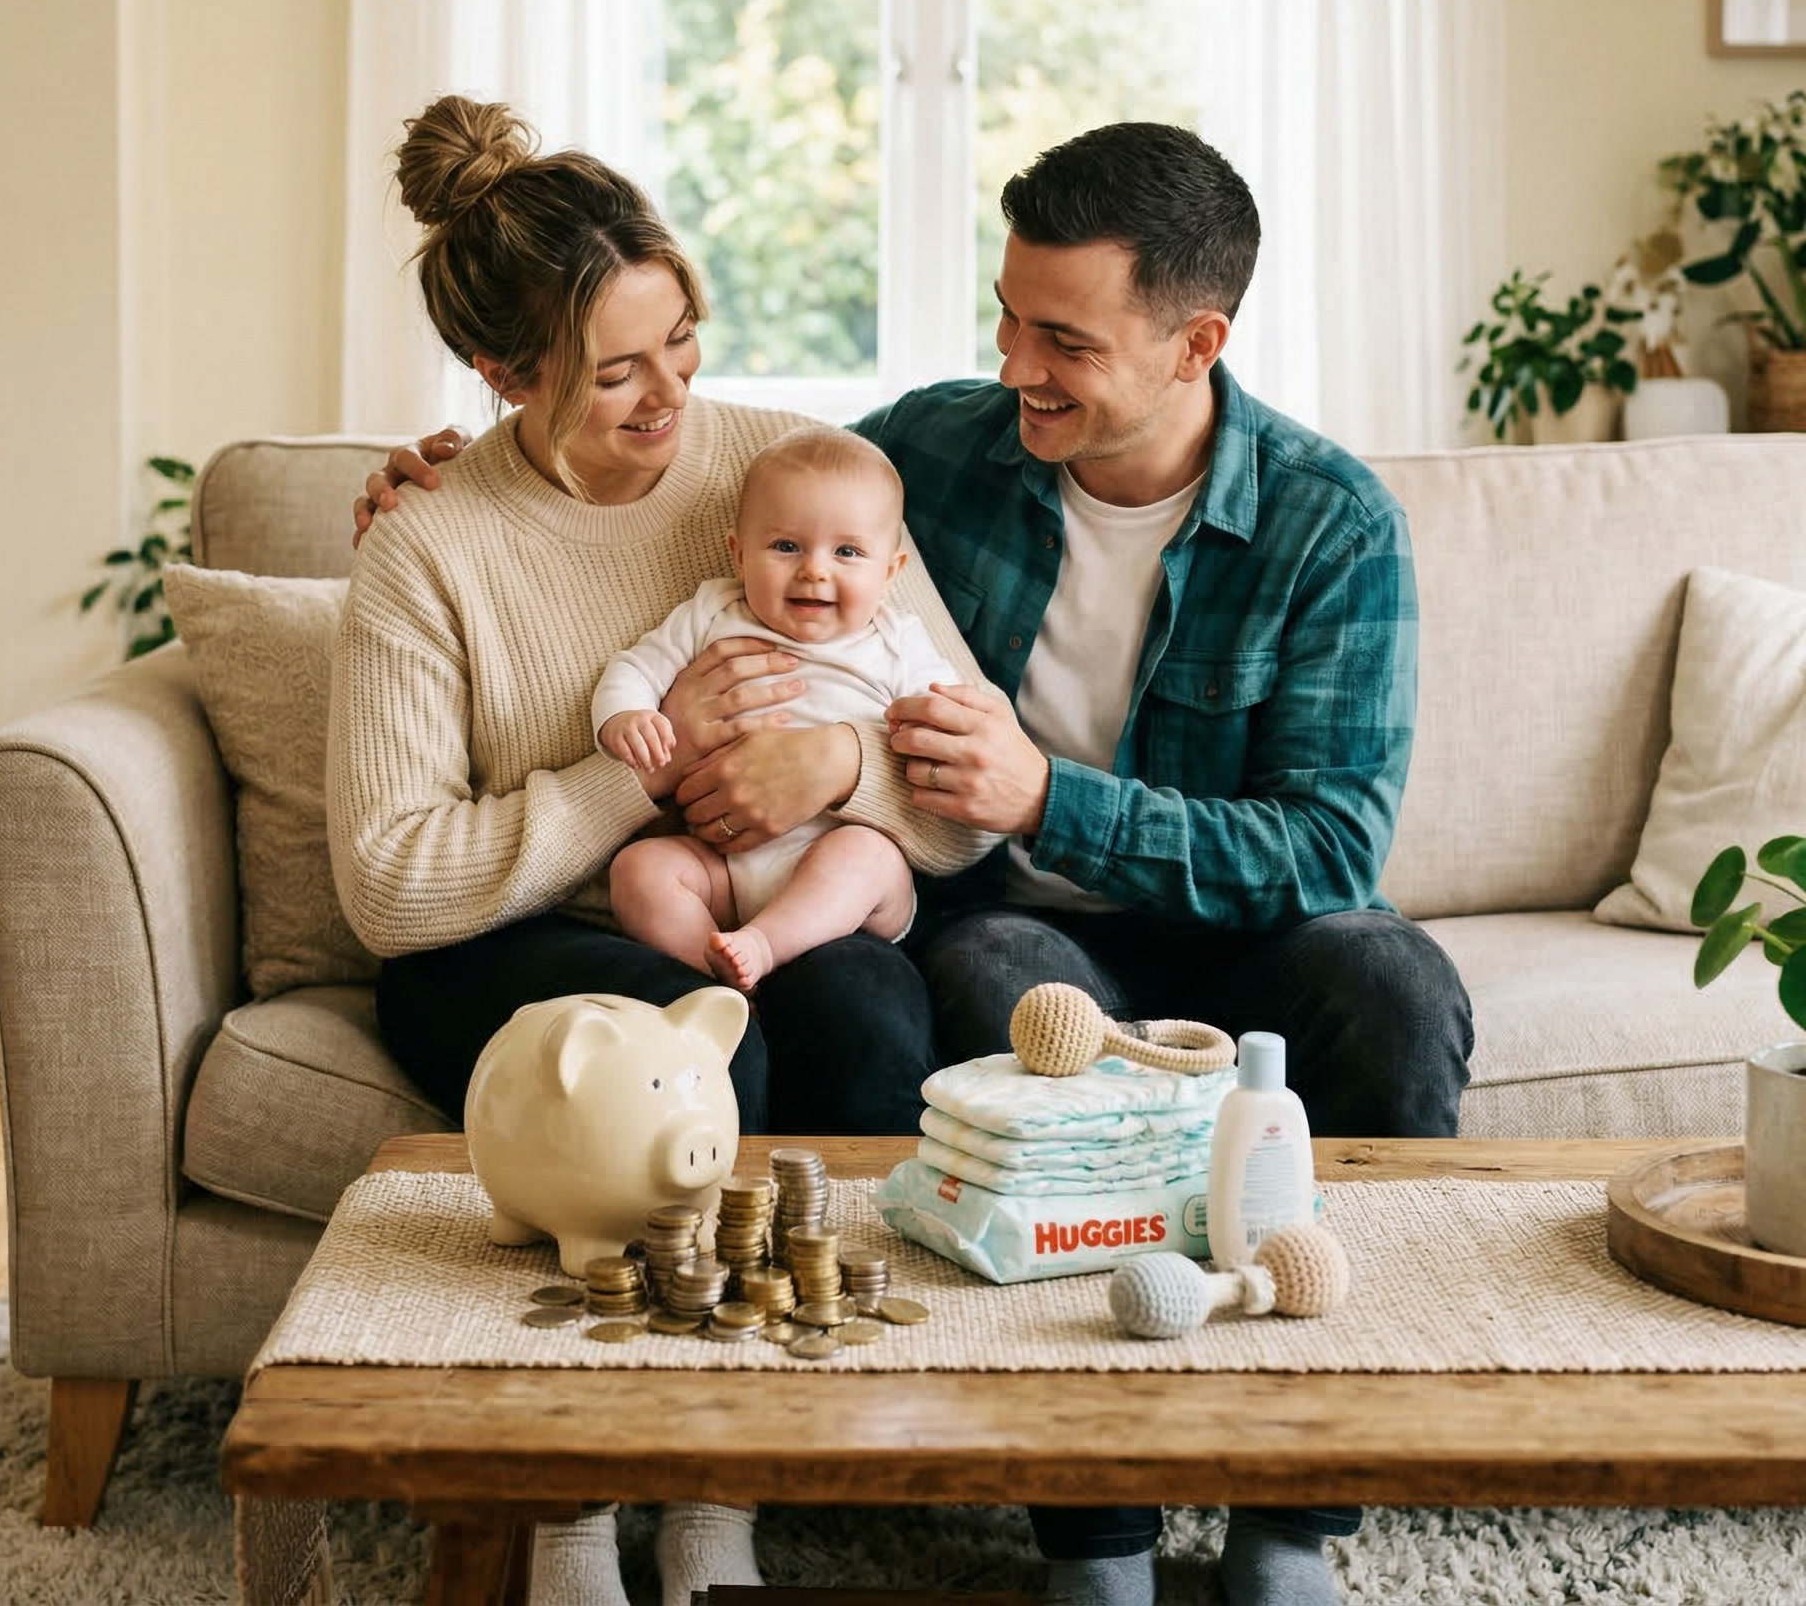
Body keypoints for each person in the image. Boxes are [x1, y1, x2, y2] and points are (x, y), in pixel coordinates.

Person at [355, 118, 1475, 1606]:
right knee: (994, 991)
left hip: (1211, 909)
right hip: (997, 920)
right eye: (1005, 318)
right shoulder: (930, 451)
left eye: (1060, 337)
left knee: (1391, 989)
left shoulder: (1329, 524)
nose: (1015, 366)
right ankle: (1092, 1530)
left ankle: (1297, 1513)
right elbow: (753, 530)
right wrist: (431, 488)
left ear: (1196, 340)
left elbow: (1329, 842)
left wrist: (988, 787)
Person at [331, 91, 995, 1606]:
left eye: (681, 340)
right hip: (506, 935)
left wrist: (837, 758)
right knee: (676, 1064)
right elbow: (386, 876)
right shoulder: (428, 541)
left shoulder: (780, 475)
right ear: (505, 373)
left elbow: (966, 777)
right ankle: (577, 1495)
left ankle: (725, 1482)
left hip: (759, 900)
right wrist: (632, 778)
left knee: (873, 1013)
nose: (669, 396)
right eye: (615, 372)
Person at [595, 425, 963, 991]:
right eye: (786, 546)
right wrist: (626, 716)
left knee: (865, 854)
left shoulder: (898, 643)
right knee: (639, 872)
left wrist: (854, 758)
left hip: (837, 866)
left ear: (890, 573)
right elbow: (635, 667)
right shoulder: (714, 612)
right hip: (720, 866)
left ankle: (764, 944)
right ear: (739, 555)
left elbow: (951, 739)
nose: (815, 569)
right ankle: (717, 986)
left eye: (847, 552)